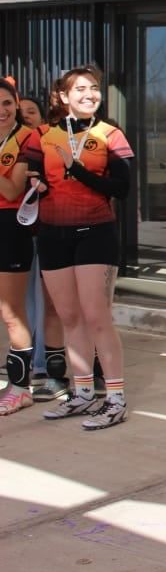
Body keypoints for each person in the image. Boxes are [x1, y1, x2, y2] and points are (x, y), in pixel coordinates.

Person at [21, 65, 135, 430]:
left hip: (96, 232)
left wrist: (77, 169)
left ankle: (115, 398)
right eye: (80, 88)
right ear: (64, 97)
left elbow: (121, 187)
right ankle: (83, 393)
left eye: (94, 88)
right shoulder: (43, 134)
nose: (89, 93)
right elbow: (31, 170)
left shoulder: (110, 134)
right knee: (69, 318)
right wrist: (36, 185)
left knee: (96, 316)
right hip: (53, 234)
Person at [0, 78, 38, 415]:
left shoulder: (27, 138)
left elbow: (12, 191)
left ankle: (20, 387)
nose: (1, 111)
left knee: (11, 313)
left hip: (10, 226)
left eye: (7, 103)